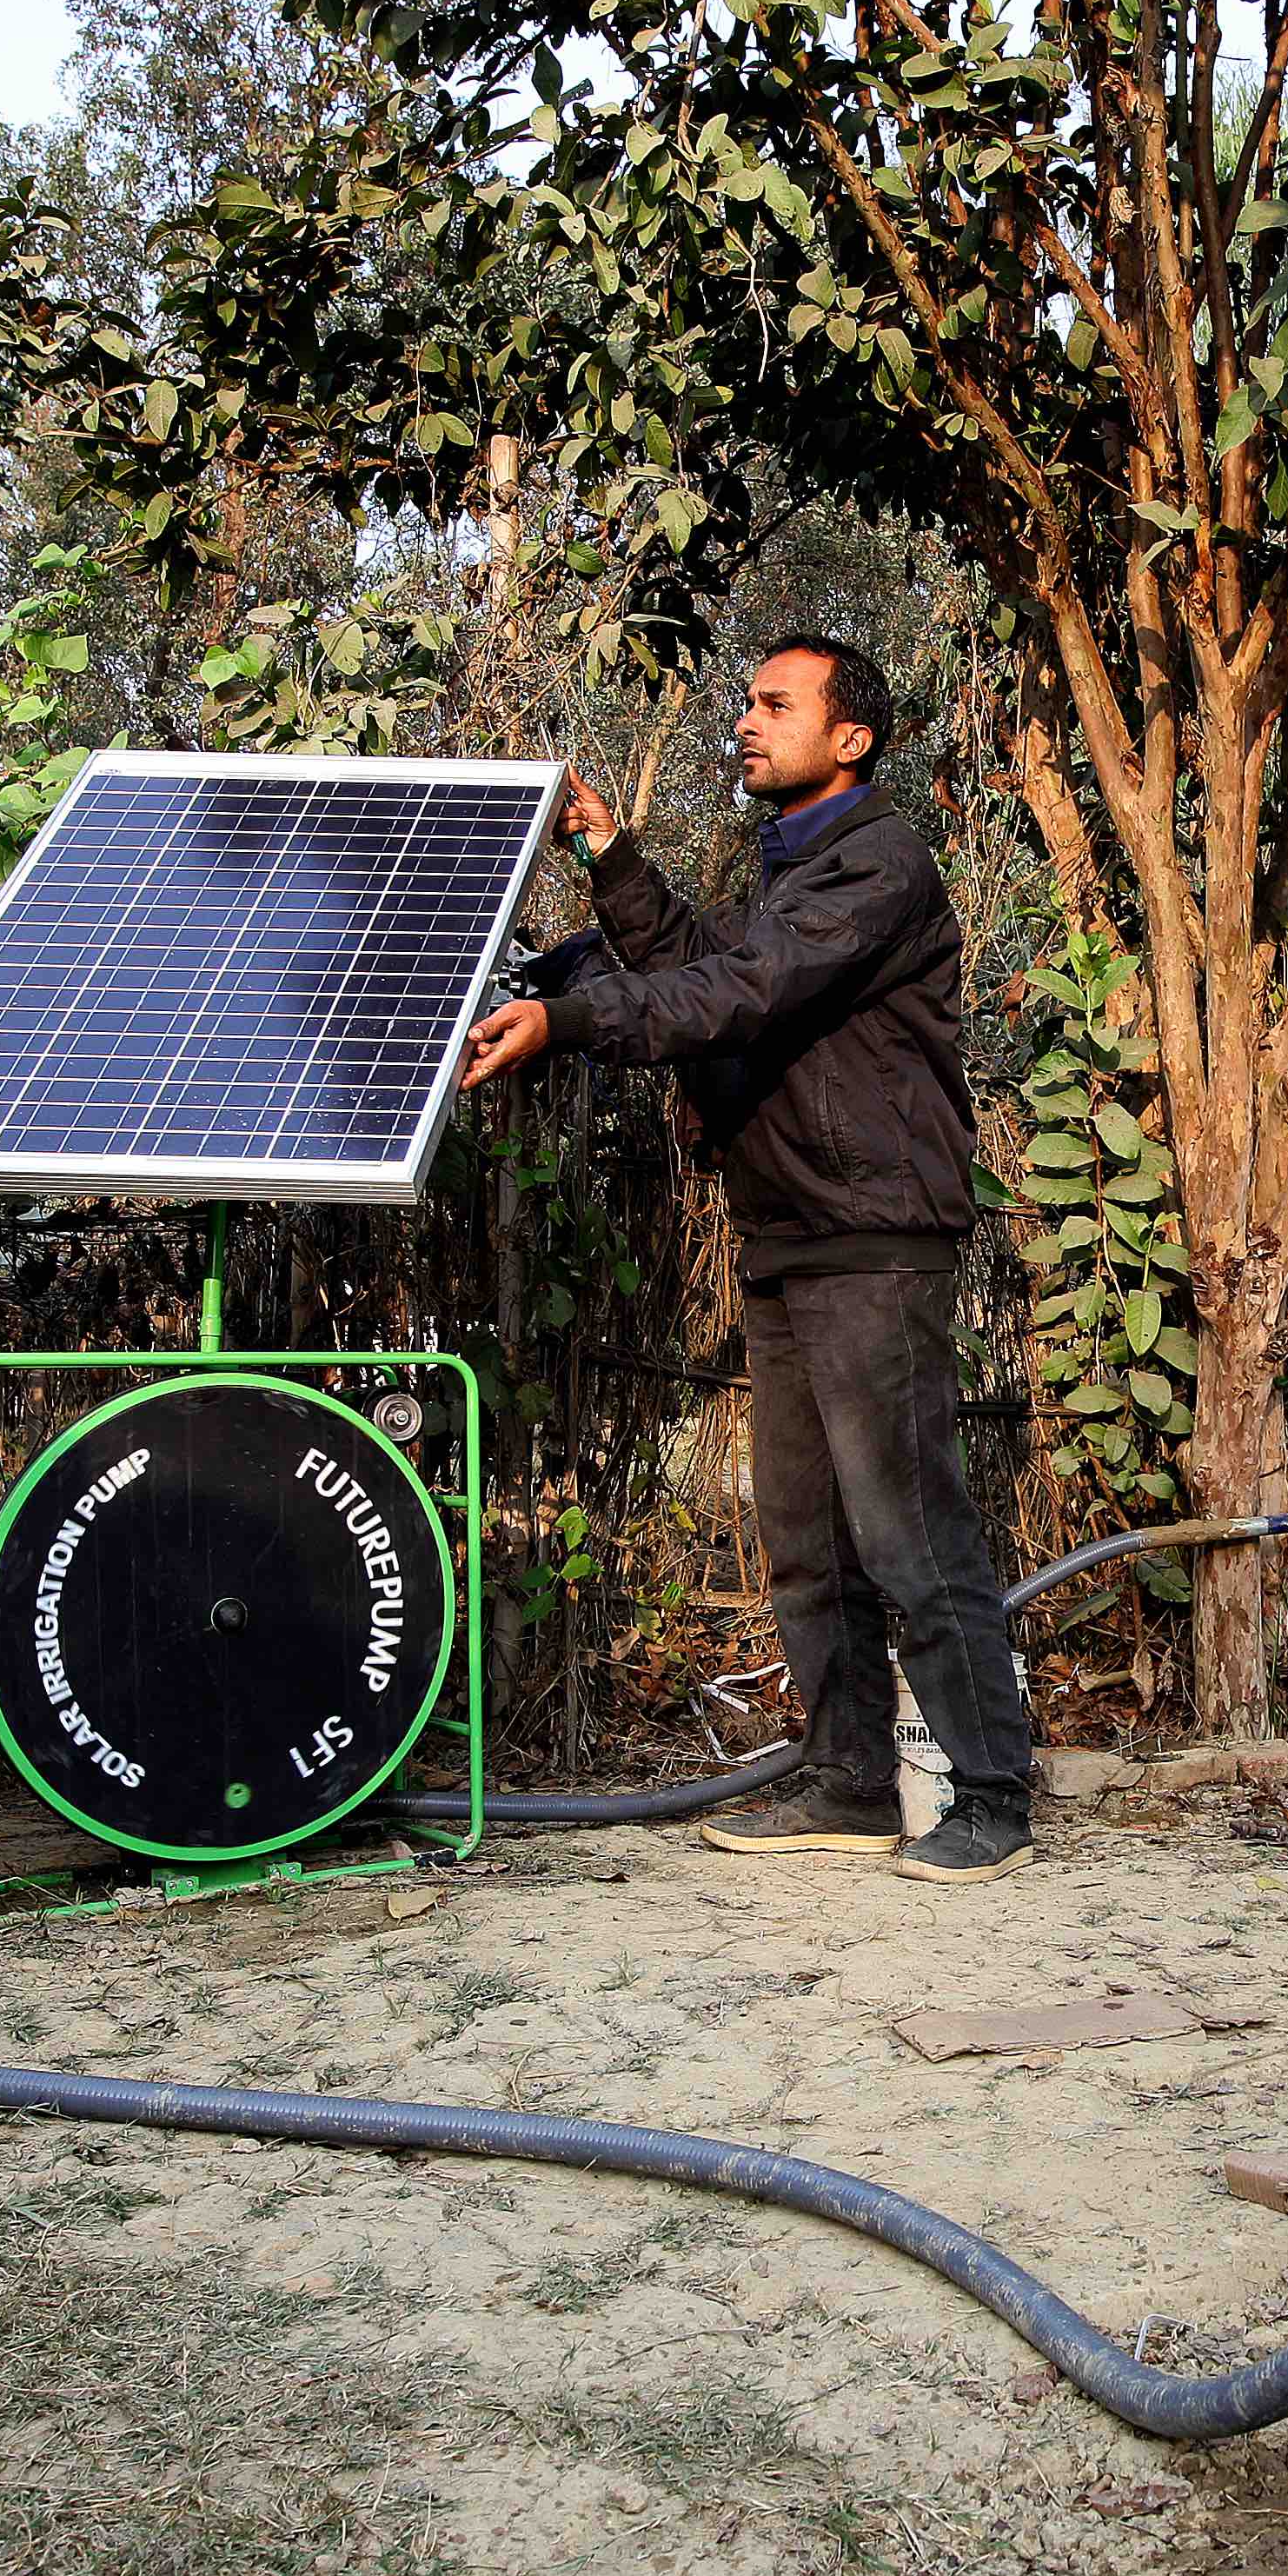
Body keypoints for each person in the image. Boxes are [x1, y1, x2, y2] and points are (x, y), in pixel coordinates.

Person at [456, 636, 1040, 1885]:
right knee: (805, 1533)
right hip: (791, 1232)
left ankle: (992, 1795)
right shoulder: (792, 870)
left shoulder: (879, 863)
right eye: (746, 702)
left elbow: (741, 992)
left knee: (908, 1527)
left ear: (852, 739)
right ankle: (845, 1780)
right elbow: (705, 966)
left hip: (874, 1235)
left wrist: (568, 1017)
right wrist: (608, 856)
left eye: (778, 705)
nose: (747, 722)